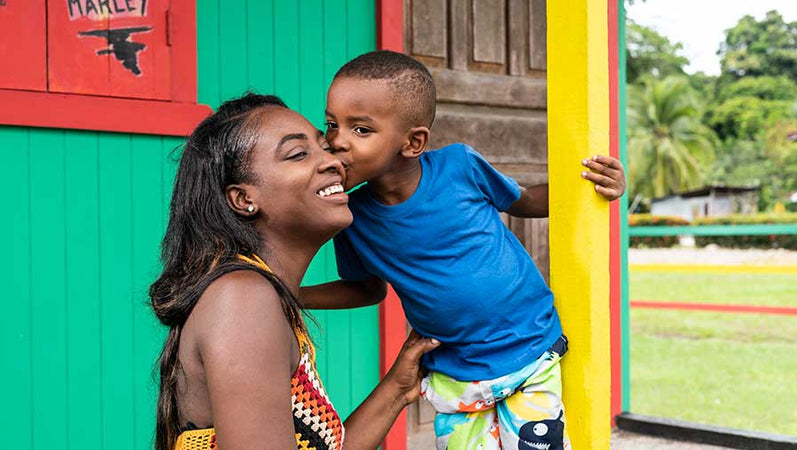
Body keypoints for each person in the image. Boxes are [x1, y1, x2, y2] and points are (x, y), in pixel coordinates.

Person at [300, 51, 626, 450]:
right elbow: (368, 289)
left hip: (527, 347)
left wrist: (592, 189)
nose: (337, 142)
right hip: (455, 374)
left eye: (361, 130)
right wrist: (292, 295)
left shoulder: (459, 167)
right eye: (332, 125)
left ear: (413, 142)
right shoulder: (352, 218)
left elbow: (525, 201)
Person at [149, 93, 440, 450]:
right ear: (243, 199)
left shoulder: (260, 296)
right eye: (298, 154)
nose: (333, 162)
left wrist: (397, 387)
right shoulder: (243, 298)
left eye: (324, 146)